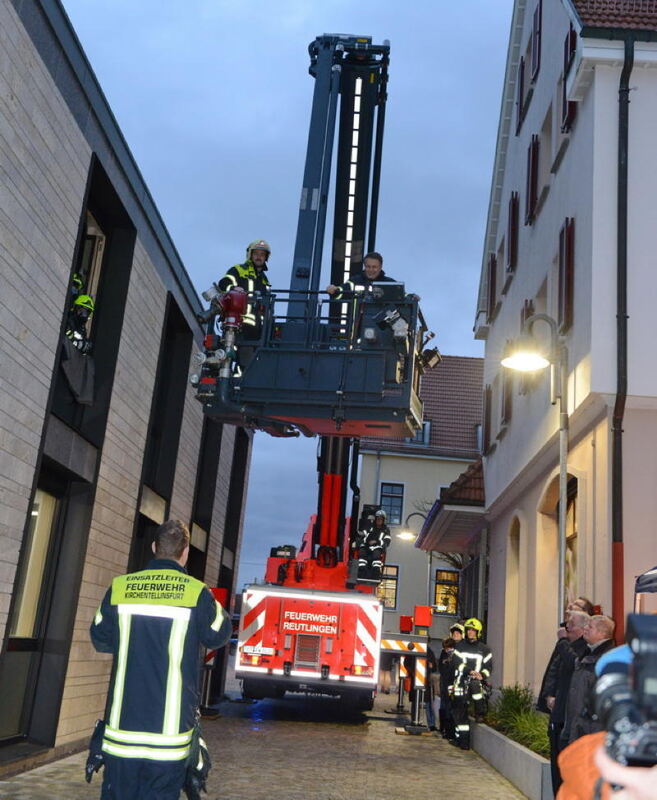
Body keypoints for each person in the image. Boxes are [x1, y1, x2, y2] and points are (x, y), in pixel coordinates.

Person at [90, 519, 231, 800]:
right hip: (170, 737)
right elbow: (219, 634)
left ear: (154, 547)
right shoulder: (197, 592)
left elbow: (100, 638)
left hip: (122, 733)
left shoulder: (120, 588)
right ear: (185, 552)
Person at [542, 610, 590, 794]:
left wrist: (562, 642)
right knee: (557, 766)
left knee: (566, 769)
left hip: (568, 718)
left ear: (583, 629)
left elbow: (574, 664)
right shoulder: (566, 645)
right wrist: (548, 695)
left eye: (571, 623)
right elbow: (553, 672)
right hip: (558, 714)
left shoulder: (582, 648)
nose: (566, 626)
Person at [561, 615, 616, 748]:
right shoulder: (585, 654)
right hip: (577, 731)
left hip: (591, 736)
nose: (585, 628)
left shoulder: (608, 660)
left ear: (602, 633)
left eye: (590, 627)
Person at [450, 617, 493, 750]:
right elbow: (457, 663)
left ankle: (480, 712)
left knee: (476, 688)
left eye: (473, 630)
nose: (470, 632)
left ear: (478, 632)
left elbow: (489, 667)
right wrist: (470, 671)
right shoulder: (460, 647)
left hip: (476, 683)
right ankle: (463, 742)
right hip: (461, 683)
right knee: (460, 714)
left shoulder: (484, 649)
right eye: (468, 630)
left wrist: (482, 675)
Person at [325, 251, 395, 299]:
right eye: (368, 266)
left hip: (382, 321)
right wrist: (334, 290)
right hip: (359, 320)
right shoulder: (355, 281)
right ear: (364, 266)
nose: (371, 270)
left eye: (374, 267)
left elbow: (404, 297)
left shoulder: (389, 283)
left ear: (380, 267)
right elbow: (341, 291)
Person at [353, 509, 391, 580]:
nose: (378, 520)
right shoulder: (370, 527)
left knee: (376, 556)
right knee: (362, 553)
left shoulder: (386, 530)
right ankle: (361, 571)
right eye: (377, 519)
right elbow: (363, 533)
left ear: (383, 520)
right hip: (366, 546)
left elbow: (387, 541)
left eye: (380, 519)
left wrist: (376, 542)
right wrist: (357, 533)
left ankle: (375, 573)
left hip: (377, 547)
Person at [438, 631, 459, 739]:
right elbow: (441, 668)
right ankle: (443, 728)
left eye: (448, 648)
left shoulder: (455, 656)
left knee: (449, 707)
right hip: (445, 684)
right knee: (444, 706)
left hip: (452, 685)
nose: (447, 650)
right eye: (446, 648)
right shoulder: (444, 654)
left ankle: (449, 731)